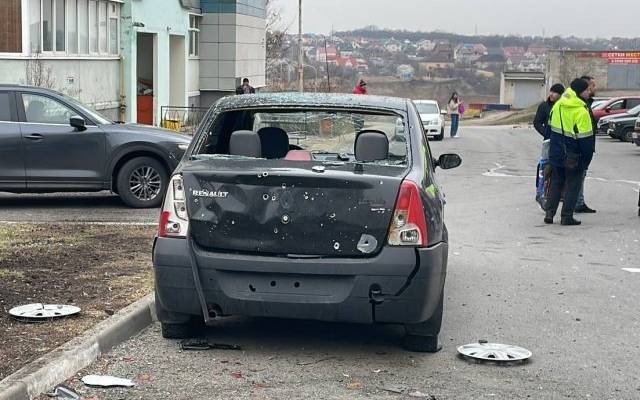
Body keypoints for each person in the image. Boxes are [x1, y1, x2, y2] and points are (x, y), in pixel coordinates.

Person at [545, 78, 595, 226]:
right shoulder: (581, 111)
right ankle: (566, 217)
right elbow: (586, 141)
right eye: (587, 90)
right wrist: (586, 160)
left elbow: (549, 129)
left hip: (556, 152)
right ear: (580, 92)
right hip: (574, 155)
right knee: (573, 185)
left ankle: (550, 212)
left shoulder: (558, 104)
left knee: (556, 182)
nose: (589, 92)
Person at [533, 84, 565, 210]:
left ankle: (560, 192)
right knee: (544, 166)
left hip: (562, 142)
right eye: (551, 91)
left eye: (555, 92)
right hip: (548, 141)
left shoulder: (563, 107)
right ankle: (540, 192)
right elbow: (537, 122)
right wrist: (546, 133)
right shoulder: (544, 106)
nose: (552, 94)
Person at [574, 75, 597, 214]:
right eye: (592, 86)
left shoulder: (587, 103)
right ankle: (577, 203)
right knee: (578, 175)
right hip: (581, 146)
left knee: (581, 175)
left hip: (586, 145)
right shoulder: (581, 105)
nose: (594, 89)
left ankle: (579, 202)